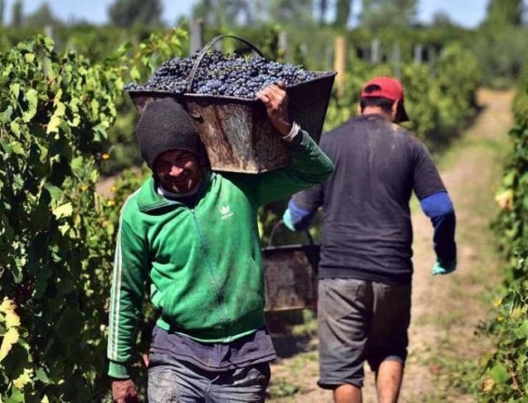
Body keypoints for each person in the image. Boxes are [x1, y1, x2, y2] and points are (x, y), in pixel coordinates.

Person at [108, 81, 334, 403]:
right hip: (176, 357)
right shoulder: (139, 213)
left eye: (182, 157)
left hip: (244, 359)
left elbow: (317, 171)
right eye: (161, 163)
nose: (174, 171)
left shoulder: (237, 186)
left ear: (197, 153)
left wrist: (286, 127)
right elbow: (125, 290)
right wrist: (119, 369)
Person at [282, 76, 457, 403]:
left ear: (359, 106)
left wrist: (292, 220)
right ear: (394, 107)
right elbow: (441, 209)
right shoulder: (409, 145)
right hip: (392, 272)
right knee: (390, 348)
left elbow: (297, 216)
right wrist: (445, 256)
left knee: (343, 369)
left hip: (340, 273)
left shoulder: (329, 144)